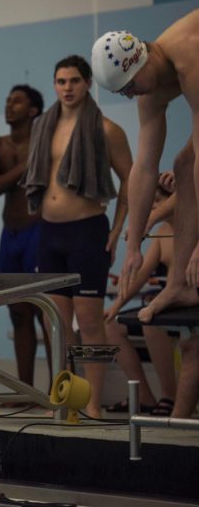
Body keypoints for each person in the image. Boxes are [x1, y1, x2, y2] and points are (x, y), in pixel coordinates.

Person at [91, 11, 199, 418]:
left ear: (143, 60)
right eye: (123, 93)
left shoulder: (188, 55)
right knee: (182, 162)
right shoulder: (150, 85)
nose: (132, 96)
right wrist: (133, 243)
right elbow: (143, 168)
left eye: (130, 86)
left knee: (191, 159)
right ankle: (180, 286)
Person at [22, 55, 133, 419]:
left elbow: (132, 178)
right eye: (61, 81)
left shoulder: (106, 129)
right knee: (54, 322)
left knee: (89, 322)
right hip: (49, 231)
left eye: (74, 81)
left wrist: (117, 230)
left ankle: (93, 402)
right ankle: (63, 396)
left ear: (88, 83)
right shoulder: (43, 125)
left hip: (87, 230)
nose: (67, 88)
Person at [0, 84, 51, 389]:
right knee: (18, 314)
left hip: (41, 230)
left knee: (47, 313)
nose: (9, 105)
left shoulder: (47, 143)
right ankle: (25, 391)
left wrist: (23, 167)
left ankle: (57, 388)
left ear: (34, 110)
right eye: (8, 100)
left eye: (17, 101)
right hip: (10, 235)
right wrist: (25, 166)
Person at [104, 176, 177, 415]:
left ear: (172, 199)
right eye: (151, 203)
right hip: (163, 304)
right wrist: (116, 306)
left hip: (180, 305)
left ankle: (170, 395)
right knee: (111, 327)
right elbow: (140, 277)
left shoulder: (191, 230)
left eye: (158, 201)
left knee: (150, 321)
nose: (153, 207)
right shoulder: (162, 234)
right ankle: (144, 396)